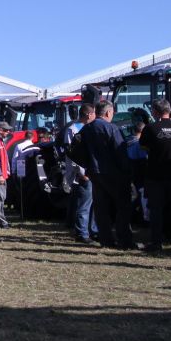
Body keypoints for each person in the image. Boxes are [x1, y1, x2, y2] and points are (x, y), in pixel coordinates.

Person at [76, 100, 134, 248]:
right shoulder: (111, 128)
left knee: (101, 208)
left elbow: (75, 150)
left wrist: (87, 166)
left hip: (94, 174)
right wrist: (127, 172)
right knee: (122, 206)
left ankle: (106, 239)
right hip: (114, 174)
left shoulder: (85, 129)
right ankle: (124, 240)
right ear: (108, 112)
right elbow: (120, 152)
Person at [139, 98, 171, 252]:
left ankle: (156, 243)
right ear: (169, 110)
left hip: (156, 177)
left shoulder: (150, 128)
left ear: (155, 112)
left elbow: (143, 147)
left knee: (156, 210)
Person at [64, 103, 95, 243]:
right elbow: (72, 155)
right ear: (89, 114)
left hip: (91, 172)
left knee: (91, 204)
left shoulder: (91, 128)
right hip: (82, 174)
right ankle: (82, 232)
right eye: (94, 113)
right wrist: (81, 173)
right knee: (83, 204)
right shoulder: (73, 130)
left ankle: (91, 230)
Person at [127, 122, 149, 224]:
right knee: (143, 196)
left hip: (130, 173)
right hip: (140, 173)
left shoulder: (127, 141)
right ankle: (144, 218)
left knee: (135, 196)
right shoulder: (140, 144)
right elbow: (145, 159)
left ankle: (131, 216)